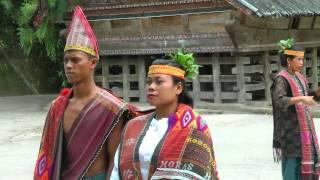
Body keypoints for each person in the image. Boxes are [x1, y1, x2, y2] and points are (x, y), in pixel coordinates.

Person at [33, 6, 139, 180]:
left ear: (93, 62)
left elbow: (115, 161)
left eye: (75, 60)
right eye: (66, 60)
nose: (68, 65)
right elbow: (49, 156)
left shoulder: (111, 108)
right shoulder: (57, 107)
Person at [110, 50, 219, 180]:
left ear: (178, 88)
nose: (151, 87)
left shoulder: (194, 126)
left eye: (159, 82)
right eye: (149, 82)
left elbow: (199, 173)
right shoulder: (133, 126)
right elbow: (117, 170)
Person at [271, 38, 320, 180]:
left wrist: (317, 93)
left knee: (303, 163)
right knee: (292, 167)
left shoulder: (299, 77)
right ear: (289, 60)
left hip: (303, 131)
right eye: (298, 59)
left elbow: (309, 96)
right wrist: (301, 99)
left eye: (302, 59)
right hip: (290, 132)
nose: (301, 63)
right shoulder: (281, 78)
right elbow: (279, 100)